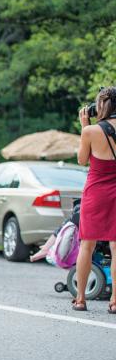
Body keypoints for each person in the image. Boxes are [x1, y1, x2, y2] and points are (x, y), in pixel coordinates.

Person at [72, 87, 116, 313]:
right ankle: (115, 301)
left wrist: (84, 127)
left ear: (100, 106)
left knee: (87, 245)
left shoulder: (90, 131)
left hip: (96, 193)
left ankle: (80, 298)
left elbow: (81, 160)